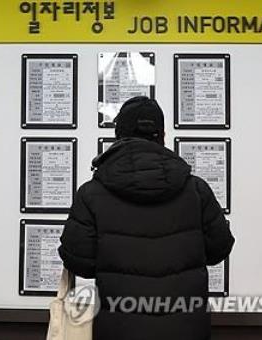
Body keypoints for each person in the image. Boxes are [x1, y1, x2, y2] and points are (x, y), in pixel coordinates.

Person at [59, 96, 235, 340]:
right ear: (161, 135)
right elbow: (219, 249)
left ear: (118, 134)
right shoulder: (196, 190)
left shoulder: (91, 193)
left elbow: (78, 262)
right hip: (186, 329)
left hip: (118, 329)